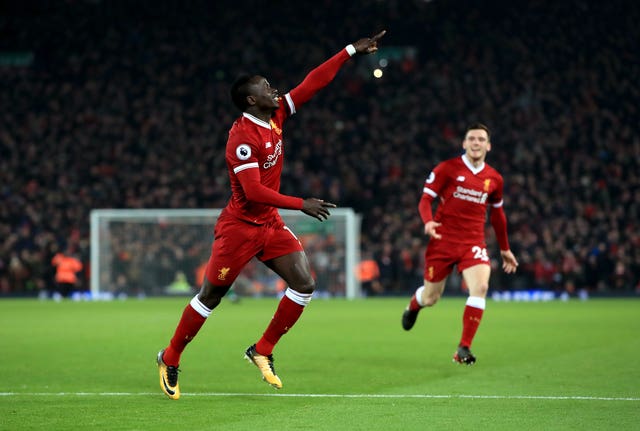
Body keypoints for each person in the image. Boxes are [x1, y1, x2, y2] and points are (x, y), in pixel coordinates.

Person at [157, 30, 386, 400]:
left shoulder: (276, 114)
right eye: (266, 86)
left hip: (269, 225)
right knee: (210, 297)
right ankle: (169, 357)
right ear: (251, 99)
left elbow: (313, 83)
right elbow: (253, 192)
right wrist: (301, 203)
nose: (273, 88)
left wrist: (348, 51)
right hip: (239, 228)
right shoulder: (242, 138)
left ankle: (262, 350)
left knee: (304, 283)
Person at [401, 123, 518, 365]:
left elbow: (498, 215)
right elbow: (425, 200)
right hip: (442, 241)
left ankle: (464, 348)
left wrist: (505, 248)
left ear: (488, 145)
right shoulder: (447, 169)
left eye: (481, 139)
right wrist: (428, 222)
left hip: (473, 242)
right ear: (464, 143)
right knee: (432, 298)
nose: (476, 143)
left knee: (481, 287)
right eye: (472, 139)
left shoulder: (494, 179)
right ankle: (414, 305)